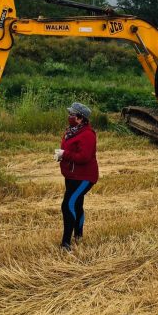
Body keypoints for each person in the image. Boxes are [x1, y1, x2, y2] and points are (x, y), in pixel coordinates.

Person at [55, 102, 99, 252]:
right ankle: (78, 236)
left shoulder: (87, 134)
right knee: (77, 204)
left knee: (67, 205)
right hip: (72, 175)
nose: (69, 117)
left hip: (84, 177)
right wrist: (62, 155)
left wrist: (65, 154)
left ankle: (66, 243)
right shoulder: (71, 131)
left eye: (72, 115)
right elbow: (70, 150)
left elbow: (84, 157)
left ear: (80, 118)